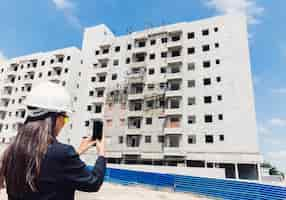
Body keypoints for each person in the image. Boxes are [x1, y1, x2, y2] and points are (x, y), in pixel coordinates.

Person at [0, 82, 106, 200]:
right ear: (55, 118)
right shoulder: (63, 153)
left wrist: (77, 152)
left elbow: (47, 164)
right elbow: (93, 182)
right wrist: (101, 154)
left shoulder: (12, 151)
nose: (64, 124)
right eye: (65, 119)